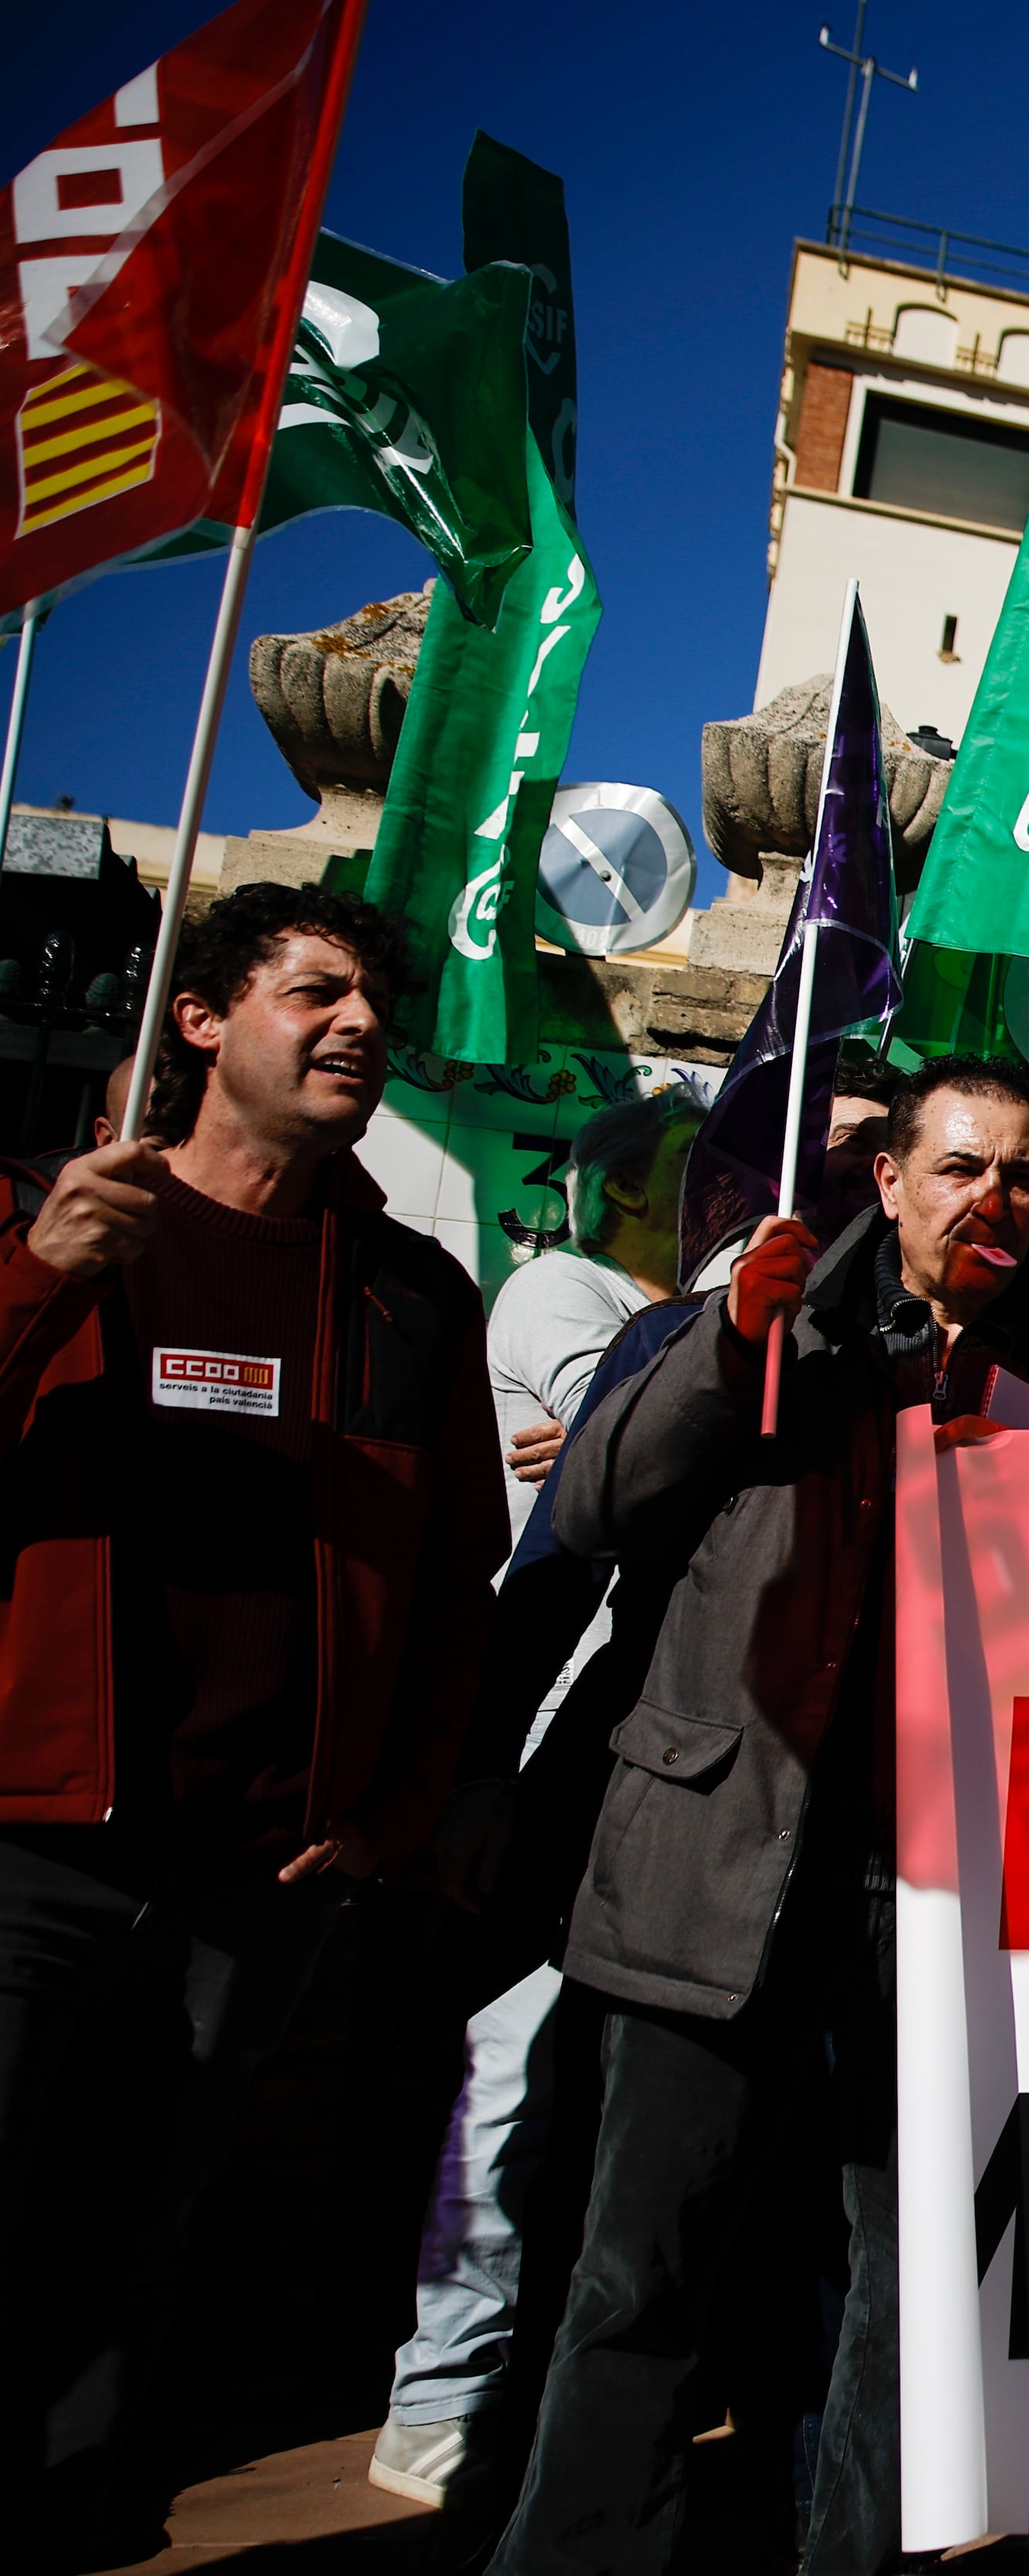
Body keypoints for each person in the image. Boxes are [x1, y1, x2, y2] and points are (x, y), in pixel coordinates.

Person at [491, 1056, 1029, 2576]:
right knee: (640, 2273)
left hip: (940, 1896)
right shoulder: (769, 1330)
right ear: (890, 1179)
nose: (994, 1198)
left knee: (910, 2290)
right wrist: (731, 1341)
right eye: (960, 1167)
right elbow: (594, 1503)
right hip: (718, 1867)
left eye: (1019, 1175)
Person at [0, 884, 507, 2566]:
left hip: (260, 1868)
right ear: (204, 1018)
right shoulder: (45, 1214)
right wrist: (33, 1283)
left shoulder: (411, 1294)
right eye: (315, 990)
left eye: (375, 999)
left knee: (135, 2227)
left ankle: (70, 2517)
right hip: (32, 1835)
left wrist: (393, 1805)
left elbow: (454, 1584)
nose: (359, 1021)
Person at [370, 1084, 705, 2512]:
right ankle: (440, 2394)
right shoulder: (564, 1290)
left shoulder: (680, 1316)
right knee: (506, 2069)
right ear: (623, 1188)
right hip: (548, 1738)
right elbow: (634, 1448)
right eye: (699, 1164)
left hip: (647, 1749)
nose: (729, 1187)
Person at [487, 1087, 701, 1513]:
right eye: (696, 1154)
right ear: (626, 1186)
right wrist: (605, 1453)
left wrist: (590, 1453)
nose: (729, 1173)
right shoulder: (556, 1282)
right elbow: (625, 1441)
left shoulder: (697, 1314)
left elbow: (627, 1447)